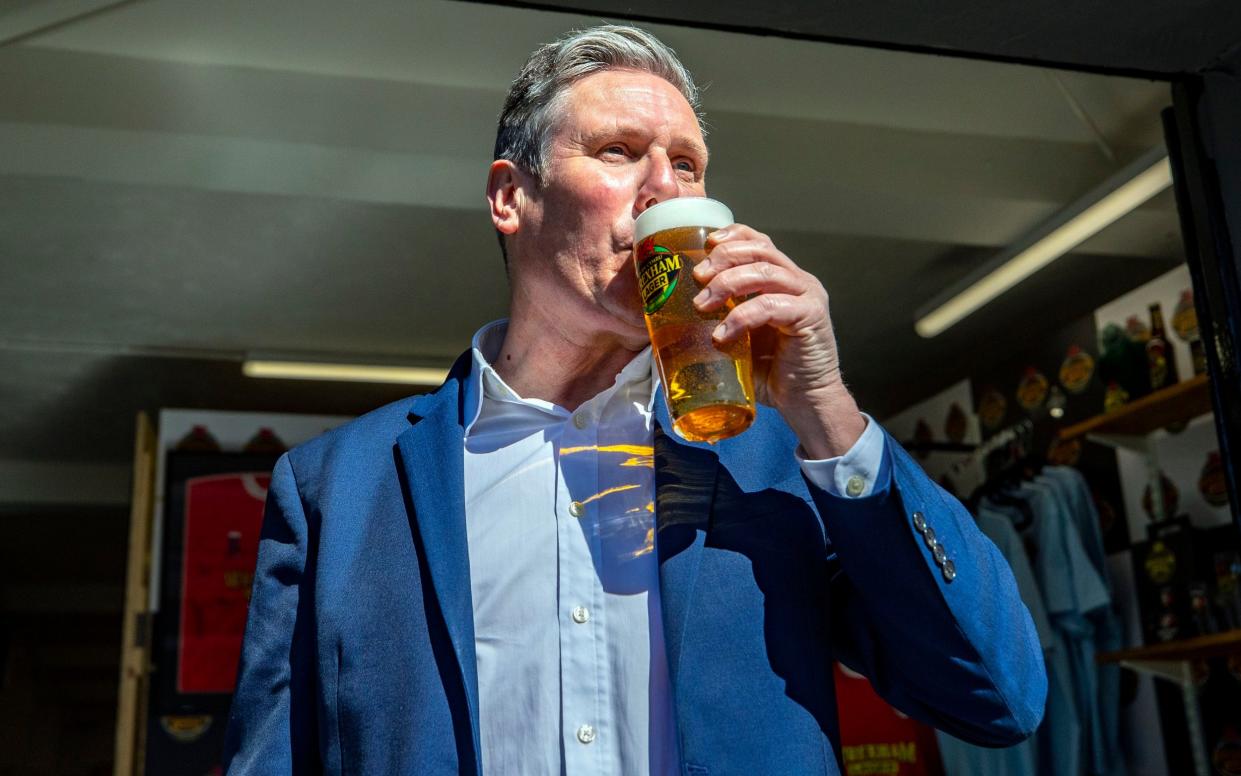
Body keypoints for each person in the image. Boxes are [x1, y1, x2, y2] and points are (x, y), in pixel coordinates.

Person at [224, 24, 1046, 775]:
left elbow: (996, 697)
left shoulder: (775, 462)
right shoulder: (341, 487)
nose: (663, 187)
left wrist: (827, 411)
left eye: (686, 164)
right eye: (619, 151)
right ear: (511, 196)